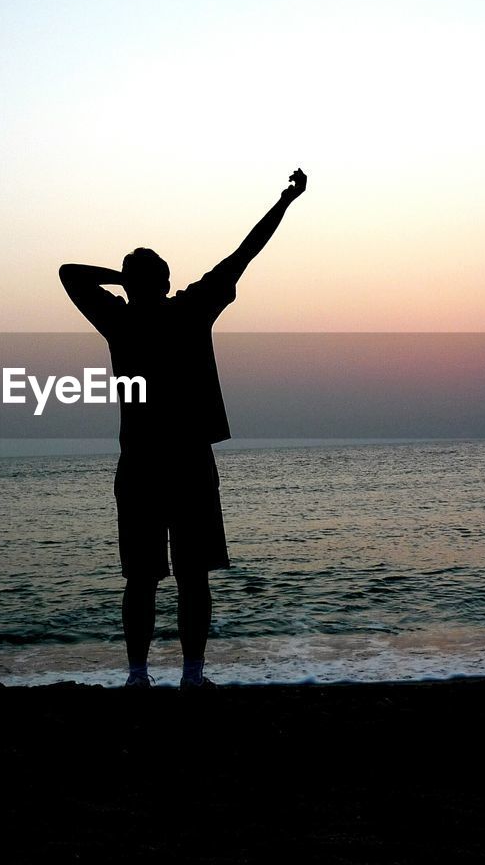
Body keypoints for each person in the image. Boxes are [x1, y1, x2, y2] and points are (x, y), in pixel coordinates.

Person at [59, 168, 307, 689]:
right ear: (166, 283)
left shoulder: (125, 318)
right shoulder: (184, 309)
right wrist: (285, 200)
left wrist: (120, 279)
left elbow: (71, 274)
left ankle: (142, 676)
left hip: (153, 464)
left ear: (139, 285)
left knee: (146, 578)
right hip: (181, 462)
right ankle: (183, 676)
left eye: (133, 277)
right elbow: (246, 251)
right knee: (178, 577)